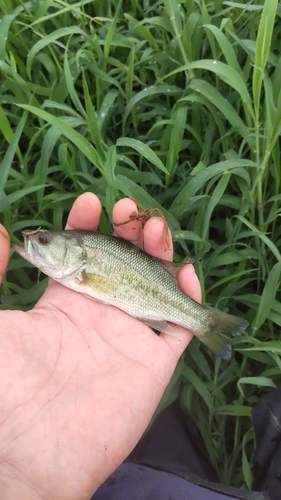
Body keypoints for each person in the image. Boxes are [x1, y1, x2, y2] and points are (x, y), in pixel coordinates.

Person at [0, 194, 276, 500]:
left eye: (44, 239)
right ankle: (204, 322)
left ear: (74, 252)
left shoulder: (83, 269)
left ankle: (205, 322)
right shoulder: (76, 268)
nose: (34, 240)